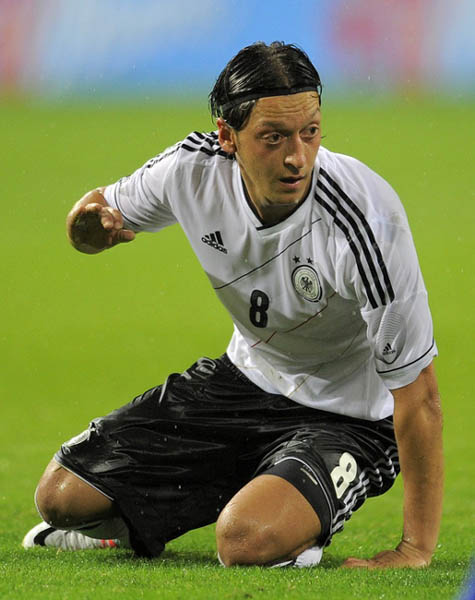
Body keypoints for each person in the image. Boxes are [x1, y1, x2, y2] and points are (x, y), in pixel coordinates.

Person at [23, 41, 443, 569]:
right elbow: (98, 213)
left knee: (244, 542)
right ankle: (165, 517)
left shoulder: (364, 223)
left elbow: (420, 396)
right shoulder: (190, 170)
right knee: (60, 497)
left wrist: (414, 549)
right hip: (245, 381)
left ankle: (284, 520)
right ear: (227, 135)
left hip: (351, 415)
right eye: (273, 137)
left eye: (310, 132)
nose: (297, 157)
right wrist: (88, 230)